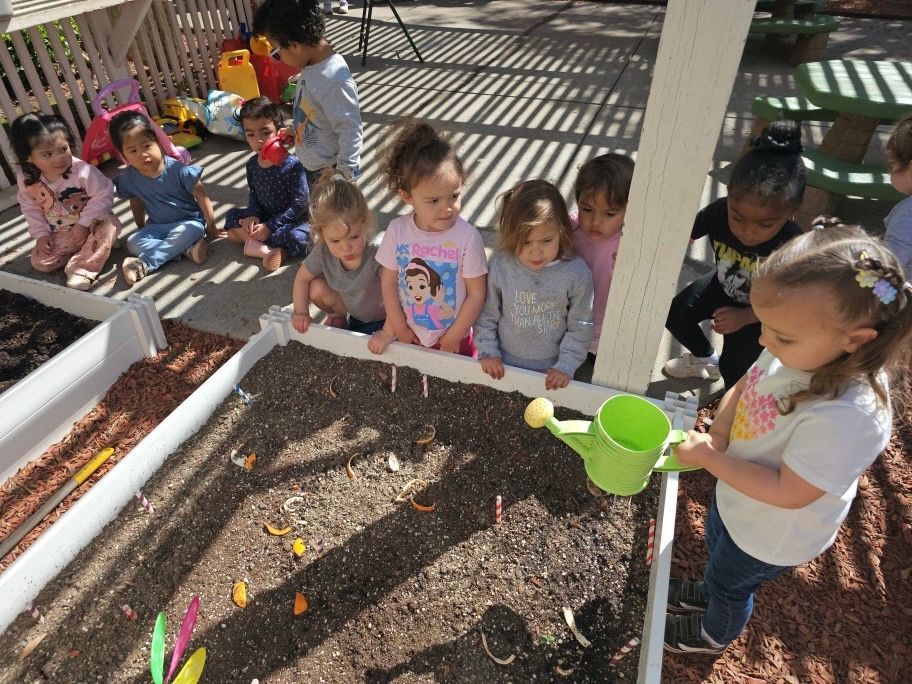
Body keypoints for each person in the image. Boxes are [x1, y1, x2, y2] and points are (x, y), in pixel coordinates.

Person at [663, 224, 912, 655]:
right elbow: (746, 383)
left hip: (772, 533)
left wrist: (710, 457)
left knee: (731, 586)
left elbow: (790, 491)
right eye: (766, 326)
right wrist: (720, 432)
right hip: (743, 501)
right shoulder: (793, 343)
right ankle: (707, 588)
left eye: (779, 335)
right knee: (718, 548)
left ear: (854, 340)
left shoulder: (849, 416)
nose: (763, 340)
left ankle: (713, 633)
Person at [663, 120, 805, 388]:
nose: (748, 232)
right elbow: (684, 234)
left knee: (735, 369)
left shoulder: (793, 245)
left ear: (790, 212)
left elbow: (791, 302)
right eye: (737, 217)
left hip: (761, 311)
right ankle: (705, 359)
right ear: (728, 197)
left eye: (765, 224)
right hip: (722, 284)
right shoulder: (718, 212)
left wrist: (746, 316)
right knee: (676, 315)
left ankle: (735, 406)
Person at [367, 120, 487, 356]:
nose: (447, 208)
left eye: (454, 195)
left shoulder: (467, 237)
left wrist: (454, 335)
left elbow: (476, 293)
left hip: (454, 337)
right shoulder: (397, 231)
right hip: (409, 333)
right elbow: (389, 283)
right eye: (433, 201)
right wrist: (398, 326)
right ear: (407, 196)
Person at [475, 179, 594, 390]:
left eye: (546, 240)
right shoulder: (502, 263)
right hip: (501, 363)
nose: (536, 252)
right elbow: (487, 311)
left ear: (562, 230)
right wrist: (488, 351)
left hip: (553, 371)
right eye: (526, 242)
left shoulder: (576, 273)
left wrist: (566, 365)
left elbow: (580, 326)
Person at [253, 0, 362, 186]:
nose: (277, 59)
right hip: (315, 166)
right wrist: (296, 131)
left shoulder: (334, 80)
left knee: (331, 215)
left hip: (330, 173)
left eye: (276, 52)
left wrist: (343, 175)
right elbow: (314, 111)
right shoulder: (311, 65)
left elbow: (350, 130)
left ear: (295, 46)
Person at [11, 113, 120, 291]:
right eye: (47, 154)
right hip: (63, 232)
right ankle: (96, 247)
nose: (59, 158)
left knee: (109, 226)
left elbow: (104, 195)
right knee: (41, 262)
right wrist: (42, 235)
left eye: (63, 149)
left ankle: (83, 268)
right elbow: (30, 208)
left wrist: (83, 225)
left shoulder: (83, 171)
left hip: (93, 224)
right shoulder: (27, 179)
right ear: (28, 157)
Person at [110, 111, 218, 286]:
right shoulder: (130, 177)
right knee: (133, 242)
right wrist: (141, 227)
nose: (142, 154)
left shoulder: (179, 170)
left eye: (146, 146)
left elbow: (202, 196)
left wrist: (211, 227)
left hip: (188, 223)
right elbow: (136, 201)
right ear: (123, 155)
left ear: (160, 142)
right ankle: (187, 250)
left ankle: (145, 264)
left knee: (190, 231)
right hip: (157, 226)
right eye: (133, 150)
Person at [291, 173, 385, 335]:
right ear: (321, 234)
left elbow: (398, 295)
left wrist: (392, 328)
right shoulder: (323, 251)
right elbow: (302, 279)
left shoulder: (377, 253)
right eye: (335, 241)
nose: (346, 247)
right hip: (353, 312)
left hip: (384, 317)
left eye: (354, 237)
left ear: (365, 222)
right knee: (315, 288)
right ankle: (339, 316)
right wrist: (301, 313)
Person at [225, 97, 311, 272]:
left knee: (299, 236)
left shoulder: (293, 165)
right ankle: (270, 251)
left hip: (292, 221)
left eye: (265, 132)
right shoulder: (251, 164)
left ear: (279, 132)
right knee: (232, 216)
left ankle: (262, 247)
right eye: (251, 134)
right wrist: (252, 216)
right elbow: (254, 194)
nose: (259, 140)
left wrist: (270, 227)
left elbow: (300, 204)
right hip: (265, 217)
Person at [570, 152, 634, 368]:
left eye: (610, 213)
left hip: (607, 328)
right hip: (571, 324)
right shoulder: (570, 227)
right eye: (586, 209)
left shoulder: (628, 242)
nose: (595, 221)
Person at [883, 114, 912, 278]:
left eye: (892, 164)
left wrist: (878, 298)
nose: (888, 171)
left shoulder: (907, 215)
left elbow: (889, 268)